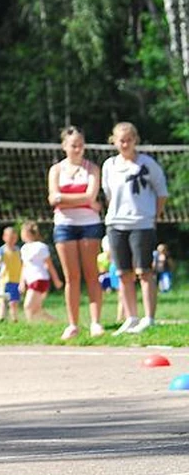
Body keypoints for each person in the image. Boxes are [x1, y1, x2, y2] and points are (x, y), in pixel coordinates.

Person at [102, 122, 168, 335]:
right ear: (114, 141)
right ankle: (131, 318)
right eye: (121, 140)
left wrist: (153, 216)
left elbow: (162, 192)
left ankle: (149, 318)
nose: (125, 144)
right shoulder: (109, 165)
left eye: (129, 140)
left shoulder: (147, 164)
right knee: (123, 273)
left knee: (144, 272)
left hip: (142, 223)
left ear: (135, 140)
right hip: (116, 224)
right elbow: (108, 194)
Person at [46, 126, 104, 340]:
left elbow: (91, 195)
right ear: (64, 146)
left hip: (89, 224)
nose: (78, 149)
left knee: (92, 274)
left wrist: (64, 198)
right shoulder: (56, 170)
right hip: (64, 225)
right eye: (73, 145)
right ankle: (73, 324)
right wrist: (81, 200)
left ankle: (96, 322)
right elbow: (53, 199)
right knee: (72, 277)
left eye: (81, 145)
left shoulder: (92, 169)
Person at [19, 221, 63, 322]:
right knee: (36, 309)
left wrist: (56, 280)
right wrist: (22, 282)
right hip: (31, 280)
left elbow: (49, 265)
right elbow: (24, 266)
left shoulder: (40, 247)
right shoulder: (24, 248)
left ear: (27, 233)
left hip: (40, 279)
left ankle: (30, 328)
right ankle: (55, 322)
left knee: (28, 306)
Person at [0, 226, 22, 322]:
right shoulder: (1, 250)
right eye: (10, 237)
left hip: (16, 280)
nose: (12, 240)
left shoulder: (19, 250)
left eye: (14, 238)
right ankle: (1, 319)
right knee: (2, 301)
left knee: (14, 302)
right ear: (4, 237)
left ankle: (14, 319)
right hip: (4, 280)